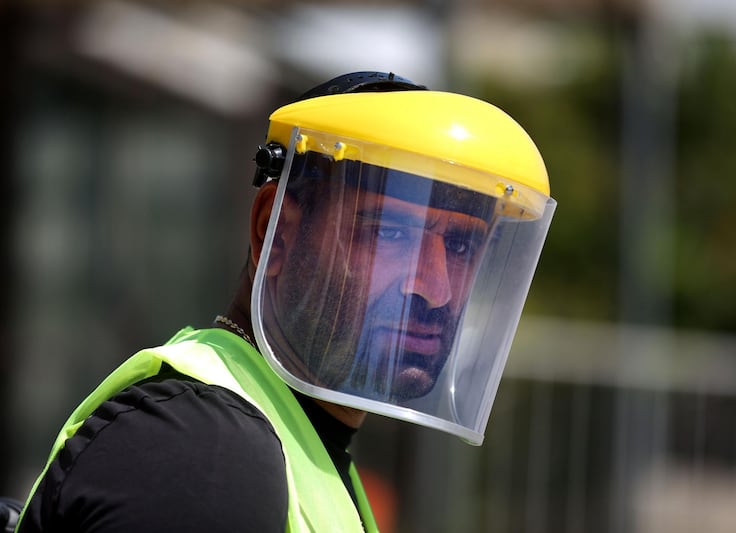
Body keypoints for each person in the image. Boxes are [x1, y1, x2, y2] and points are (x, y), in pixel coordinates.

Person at [14, 71, 556, 532]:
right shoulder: (204, 456)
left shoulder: (290, 450)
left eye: (460, 245)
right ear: (274, 226)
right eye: (391, 234)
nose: (434, 287)